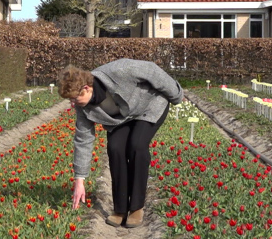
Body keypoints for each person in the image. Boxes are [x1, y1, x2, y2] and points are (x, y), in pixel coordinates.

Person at [58, 59, 183, 228]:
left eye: (74, 99)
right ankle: (120, 209)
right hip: (120, 119)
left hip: (149, 106)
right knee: (115, 148)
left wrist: (176, 95)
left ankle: (136, 207)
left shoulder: (119, 71)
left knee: (137, 146)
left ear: (86, 88)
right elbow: (83, 139)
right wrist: (79, 180)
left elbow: (151, 70)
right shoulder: (83, 108)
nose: (73, 104)